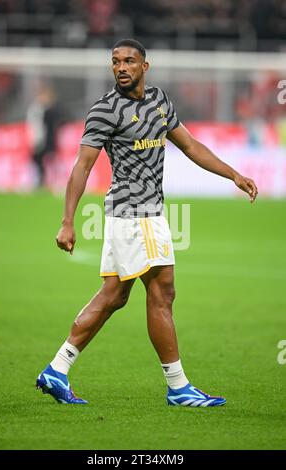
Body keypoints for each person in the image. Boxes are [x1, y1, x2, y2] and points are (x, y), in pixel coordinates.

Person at [36, 39, 258, 406]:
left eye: (128, 61)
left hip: (145, 213)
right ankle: (178, 387)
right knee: (162, 293)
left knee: (114, 295)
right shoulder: (105, 110)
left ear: (144, 66)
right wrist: (67, 221)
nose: (121, 68)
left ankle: (57, 370)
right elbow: (83, 166)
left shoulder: (159, 101)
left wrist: (232, 174)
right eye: (115, 62)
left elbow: (190, 146)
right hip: (134, 213)